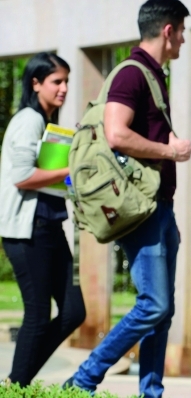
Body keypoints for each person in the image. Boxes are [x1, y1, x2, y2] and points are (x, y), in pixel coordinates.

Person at [65, 0, 191, 398]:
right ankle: (83, 379)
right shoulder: (132, 74)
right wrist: (170, 151)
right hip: (141, 210)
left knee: (163, 312)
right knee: (153, 304)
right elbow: (116, 133)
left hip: (158, 207)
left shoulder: (152, 75)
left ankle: (150, 393)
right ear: (168, 30)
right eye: (183, 32)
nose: (185, 41)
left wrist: (165, 141)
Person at [0, 53, 86, 386]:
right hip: (27, 232)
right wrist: (73, 166)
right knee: (37, 315)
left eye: (66, 81)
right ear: (36, 84)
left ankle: (17, 382)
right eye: (56, 81)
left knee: (74, 312)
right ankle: (16, 387)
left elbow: (48, 178)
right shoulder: (28, 119)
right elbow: (22, 177)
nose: (64, 88)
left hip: (50, 227)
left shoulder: (48, 123)